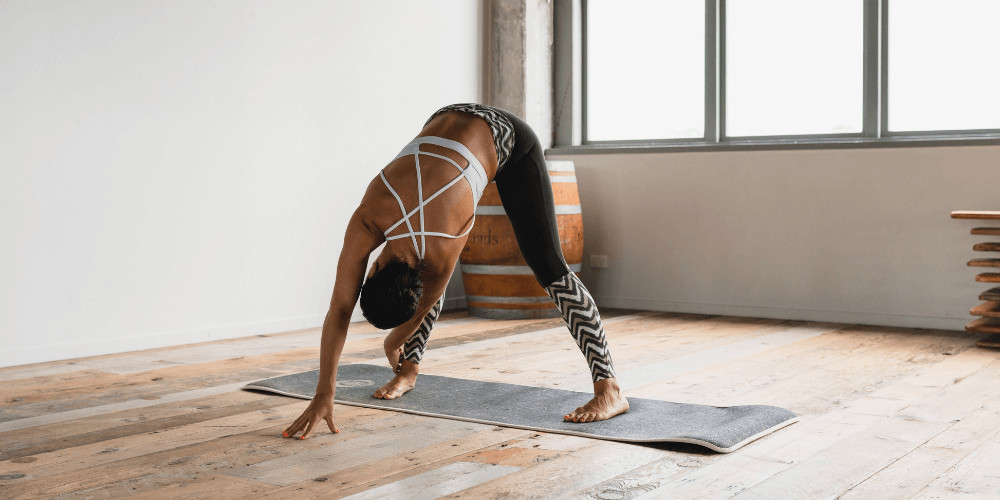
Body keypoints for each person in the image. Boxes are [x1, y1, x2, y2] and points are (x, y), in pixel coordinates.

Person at [282, 104, 629, 440]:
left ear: (371, 266)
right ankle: (409, 372)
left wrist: (392, 342)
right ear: (373, 269)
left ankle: (609, 388)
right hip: (449, 117)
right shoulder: (370, 216)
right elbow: (343, 309)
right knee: (434, 279)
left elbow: (416, 305)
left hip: (509, 138)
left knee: (551, 269)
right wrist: (323, 394)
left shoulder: (442, 241)